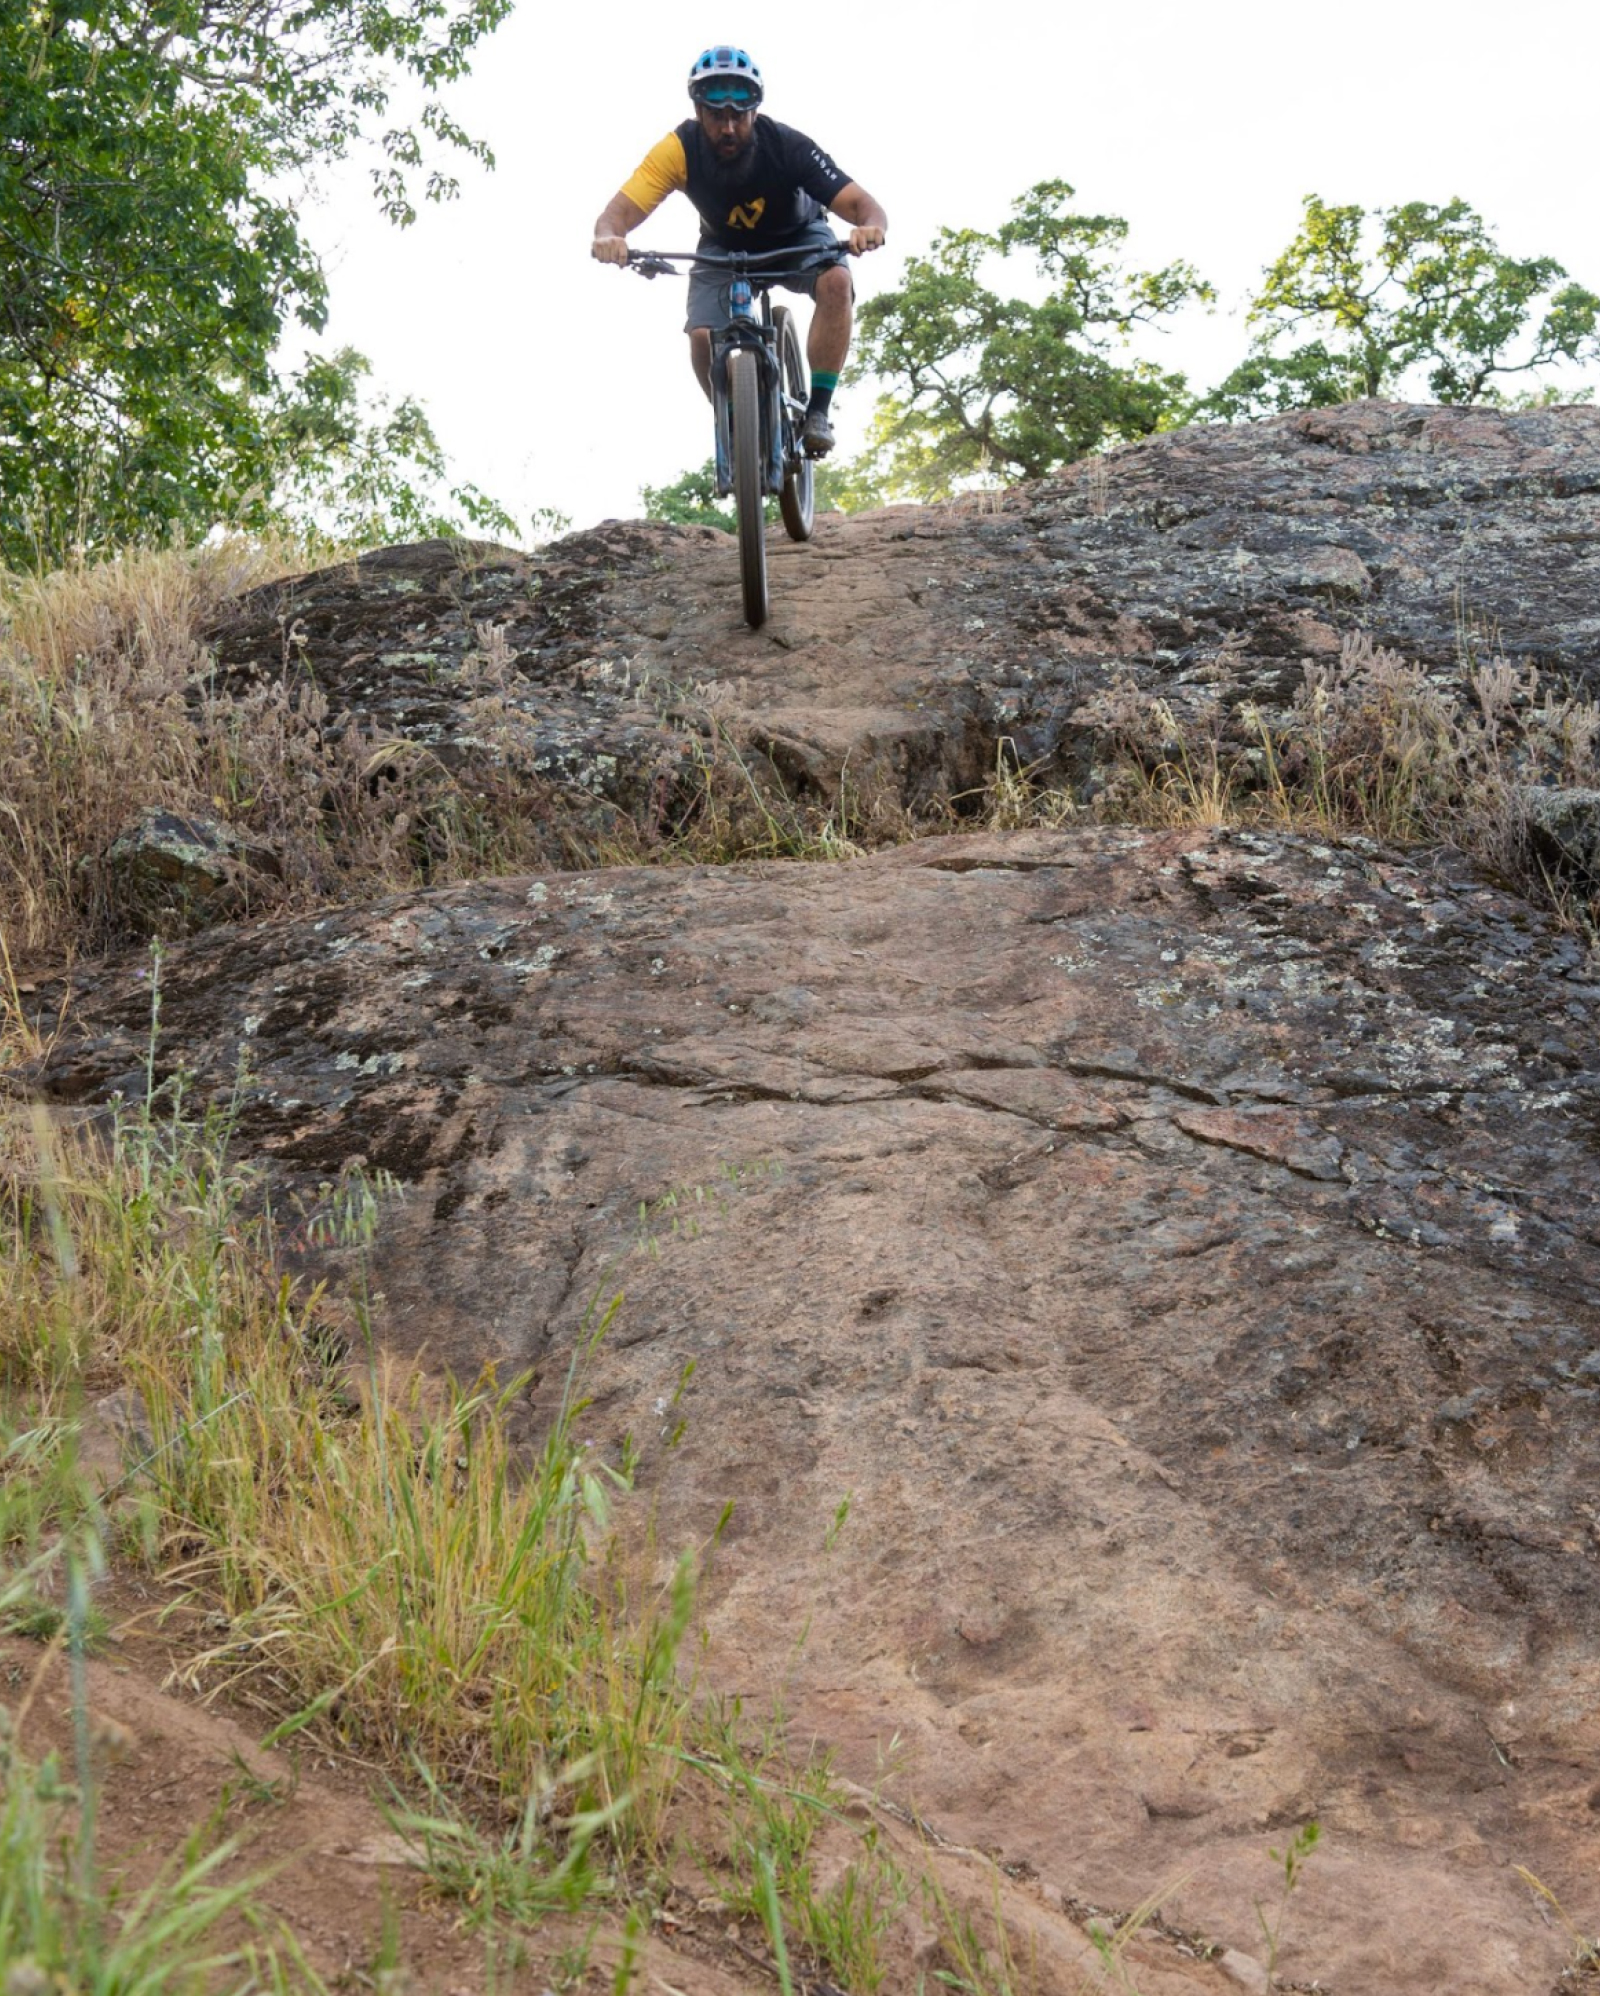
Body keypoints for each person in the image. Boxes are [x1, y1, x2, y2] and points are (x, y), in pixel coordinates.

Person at [591, 46, 887, 459]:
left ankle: (818, 410)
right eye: (716, 115)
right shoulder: (678, 150)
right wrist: (610, 236)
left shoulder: (787, 146)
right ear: (697, 110)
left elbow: (862, 204)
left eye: (739, 115)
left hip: (797, 236)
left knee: (837, 279)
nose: (728, 128)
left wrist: (869, 227)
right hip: (724, 247)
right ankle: (734, 420)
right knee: (701, 336)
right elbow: (617, 214)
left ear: (755, 110)